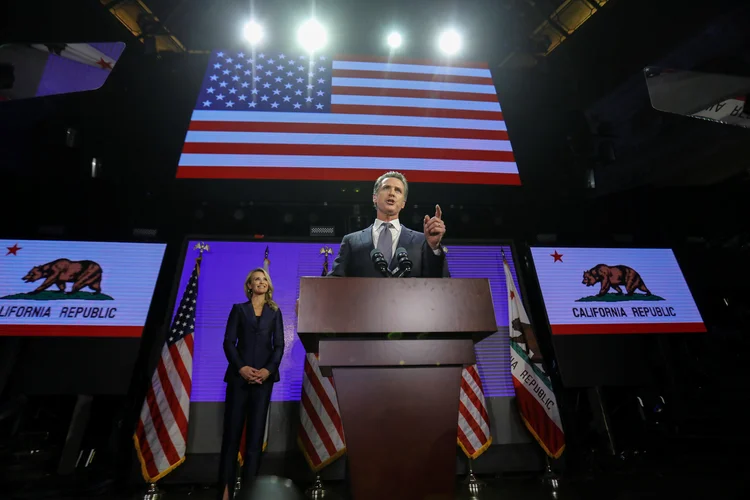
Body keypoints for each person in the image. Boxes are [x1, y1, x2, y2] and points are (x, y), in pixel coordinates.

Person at [217, 268, 285, 500]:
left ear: (269, 285)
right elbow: (228, 342)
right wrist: (241, 368)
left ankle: (249, 493)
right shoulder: (239, 310)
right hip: (239, 380)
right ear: (249, 286)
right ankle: (225, 492)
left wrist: (267, 370)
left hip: (263, 382)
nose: (261, 282)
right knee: (231, 437)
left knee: (255, 440)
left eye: (265, 279)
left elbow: (279, 346)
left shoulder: (275, 313)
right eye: (257, 279)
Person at [328, 170, 450, 278]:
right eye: (386, 188)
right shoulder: (351, 241)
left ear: (403, 203)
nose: (392, 193)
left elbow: (439, 281)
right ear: (374, 198)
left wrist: (434, 247)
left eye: (398, 190)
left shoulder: (422, 241)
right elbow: (336, 281)